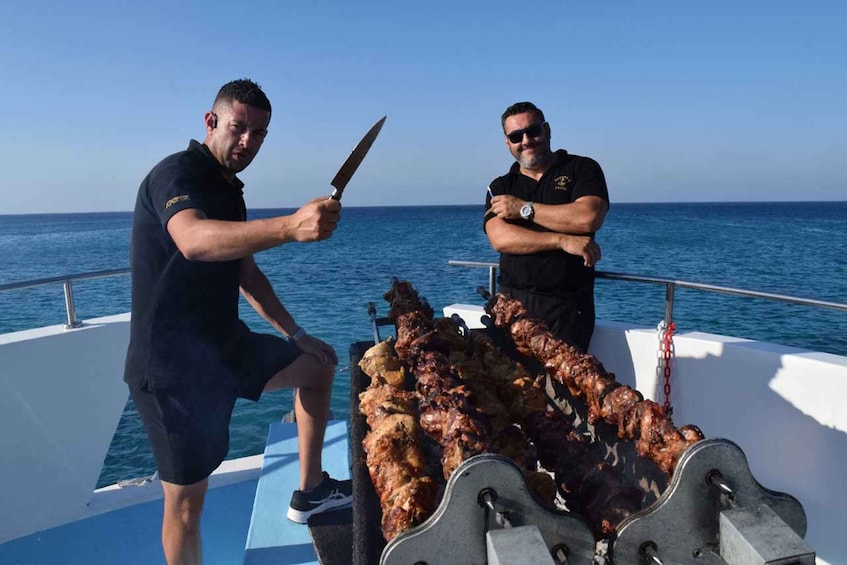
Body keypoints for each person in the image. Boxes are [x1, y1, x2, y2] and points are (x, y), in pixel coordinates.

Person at [124, 78, 352, 565]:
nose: (248, 142)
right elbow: (192, 239)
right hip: (170, 369)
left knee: (318, 366)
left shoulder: (230, 191)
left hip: (223, 348)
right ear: (211, 122)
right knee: (187, 506)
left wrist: (297, 334)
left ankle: (310, 490)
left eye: (259, 134)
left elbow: (246, 273)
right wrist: (290, 226)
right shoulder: (176, 174)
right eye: (239, 128)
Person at [484, 101, 609, 352]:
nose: (527, 140)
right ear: (508, 142)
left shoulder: (582, 169)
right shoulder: (500, 187)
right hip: (511, 305)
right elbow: (501, 238)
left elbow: (588, 216)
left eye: (534, 131)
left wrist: (522, 209)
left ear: (548, 130)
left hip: (567, 307)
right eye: (516, 136)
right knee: (512, 386)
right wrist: (562, 240)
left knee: (564, 387)